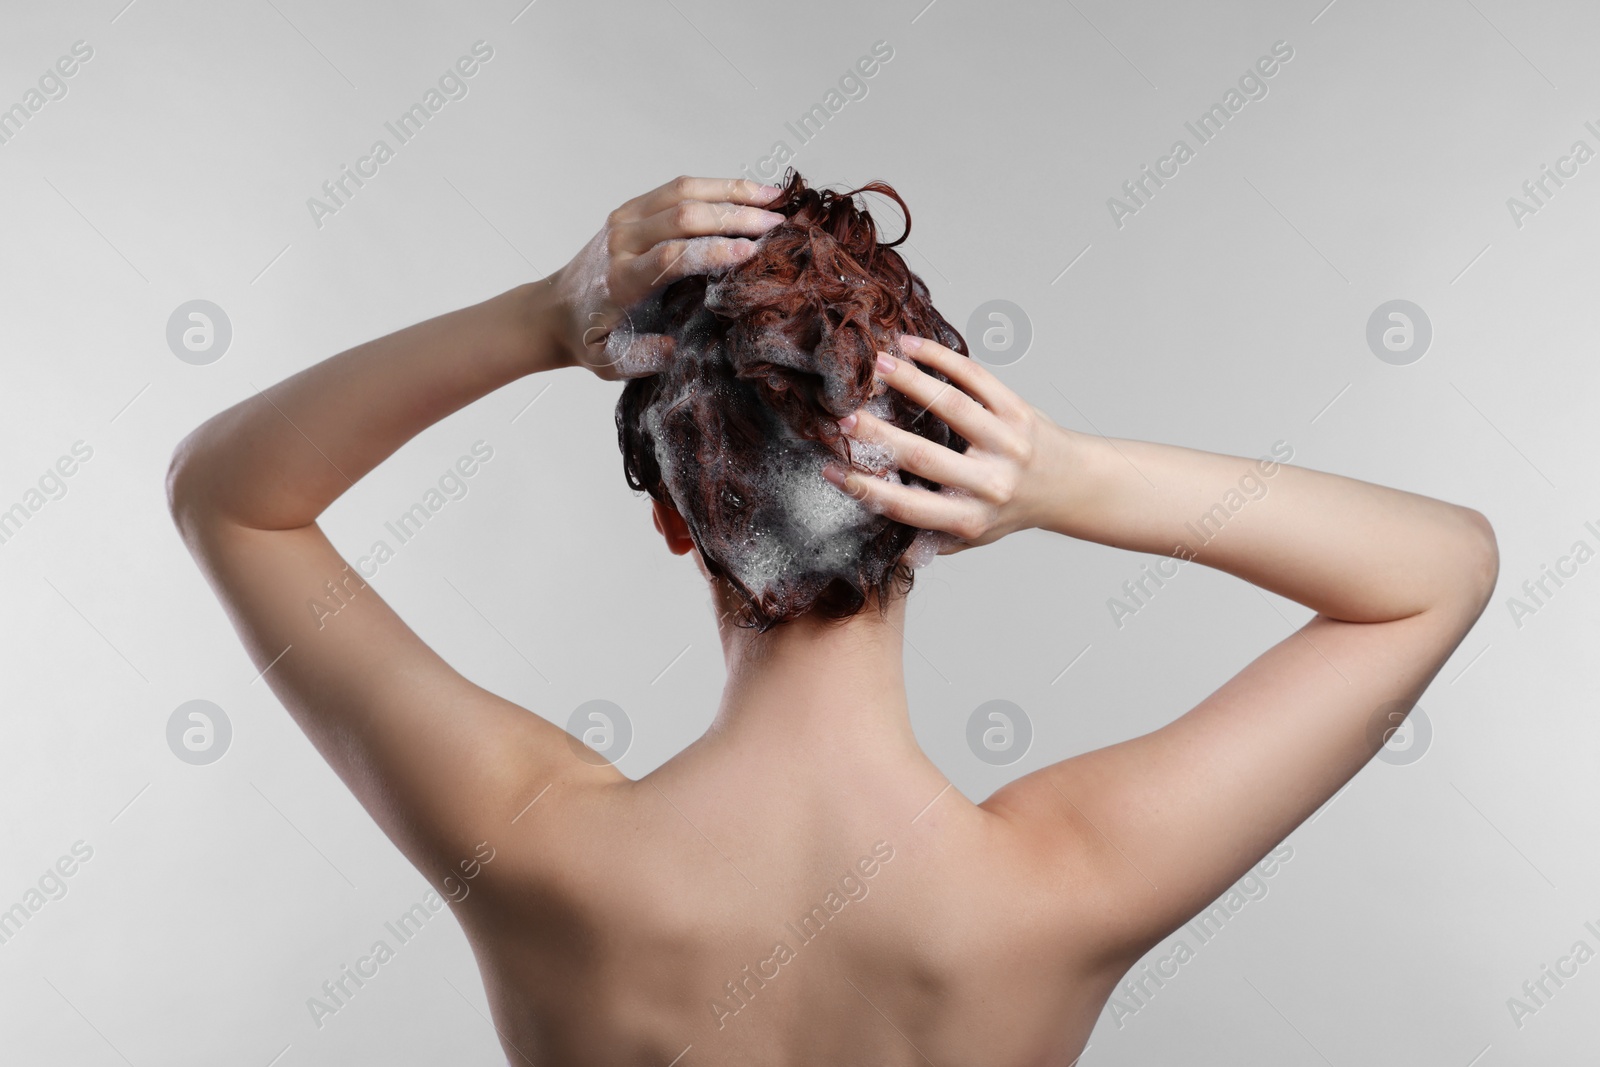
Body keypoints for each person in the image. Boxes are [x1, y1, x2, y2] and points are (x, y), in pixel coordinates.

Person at [167, 171, 1498, 1066]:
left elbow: (229, 498)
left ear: (673, 516)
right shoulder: (1056, 890)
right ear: (938, 506)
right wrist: (1071, 479)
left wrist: (538, 320)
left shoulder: (536, 850)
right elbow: (1441, 568)